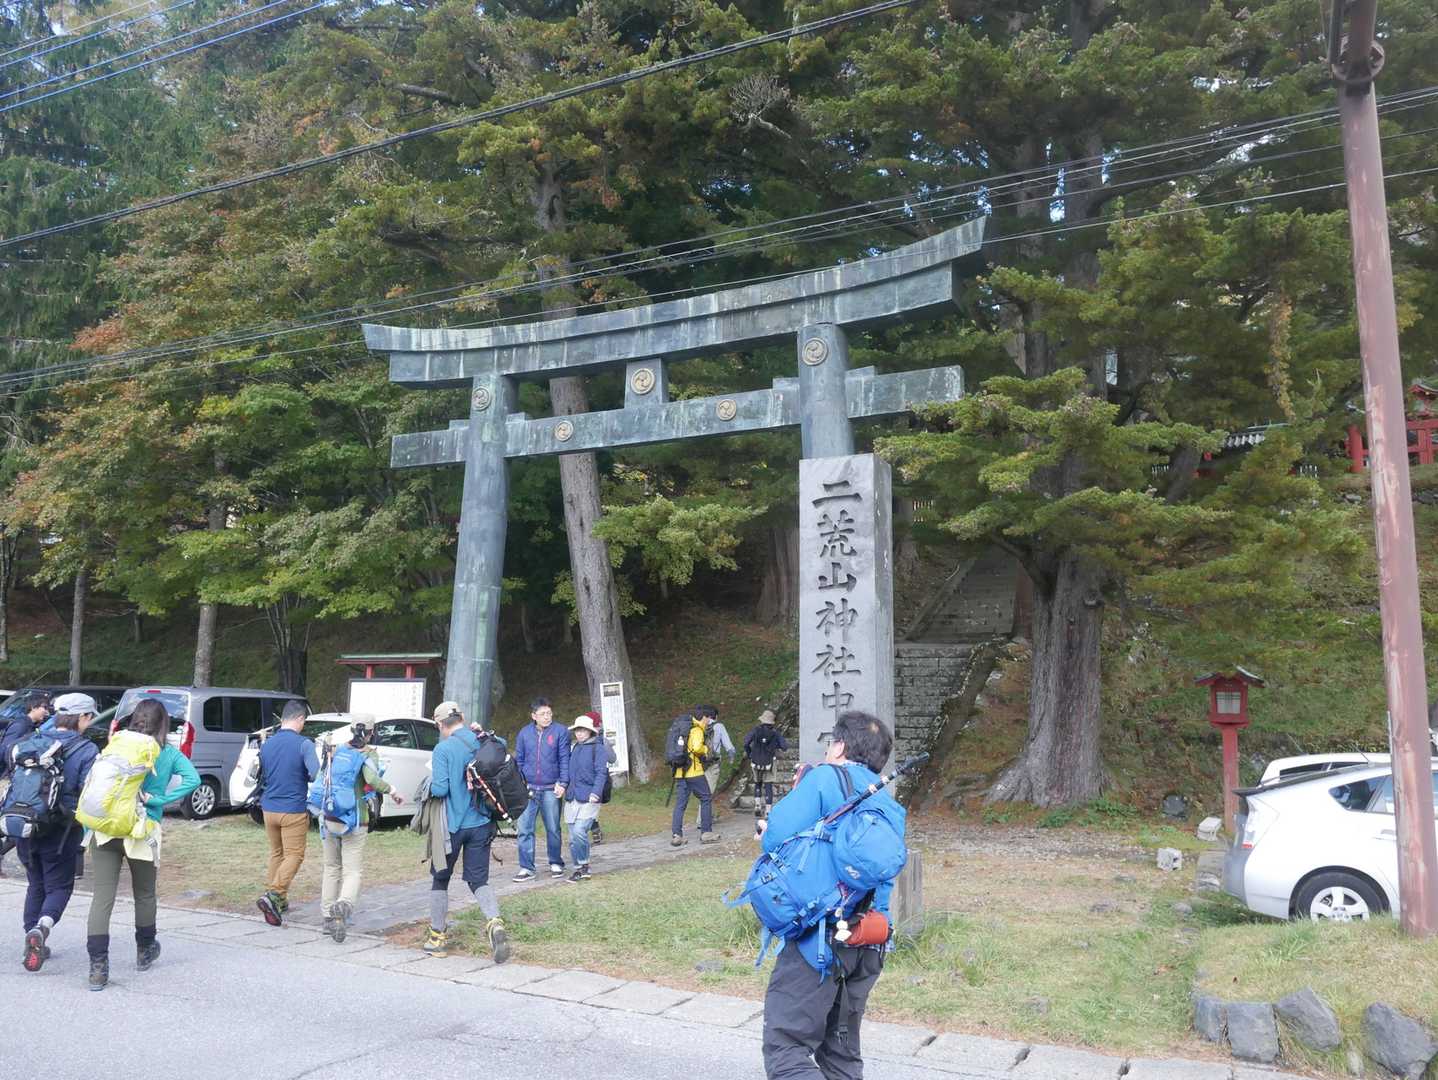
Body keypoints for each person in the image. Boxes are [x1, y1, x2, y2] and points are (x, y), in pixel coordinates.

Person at [758, 711, 901, 1080]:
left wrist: (766, 829)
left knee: (786, 1049)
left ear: (839, 746)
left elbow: (775, 837)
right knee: (840, 1057)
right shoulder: (888, 803)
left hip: (818, 943)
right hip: (867, 941)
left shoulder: (824, 778)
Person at [85, 698, 200, 991]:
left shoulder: (117, 743)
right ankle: (145, 950)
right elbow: (193, 779)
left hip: (107, 829)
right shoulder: (167, 753)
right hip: (142, 829)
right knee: (145, 893)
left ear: (135, 718)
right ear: (163, 724)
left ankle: (98, 967)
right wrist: (159, 800)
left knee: (102, 897)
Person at [14, 693, 99, 972]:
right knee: (59, 886)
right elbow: (90, 792)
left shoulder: (32, 740)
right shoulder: (87, 750)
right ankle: (41, 928)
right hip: (61, 830)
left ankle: (31, 937)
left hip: (25, 825)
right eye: (90, 716)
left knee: (35, 883)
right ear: (82, 717)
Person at [423, 701, 509, 963]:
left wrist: (428, 784)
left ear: (440, 724)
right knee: (478, 880)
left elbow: (440, 789)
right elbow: (502, 746)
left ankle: (437, 938)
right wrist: (482, 733)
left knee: (441, 878)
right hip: (482, 823)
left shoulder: (443, 749)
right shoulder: (483, 740)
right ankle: (494, 922)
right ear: (461, 717)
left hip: (452, 826)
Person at [320, 721, 402, 944]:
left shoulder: (336, 750)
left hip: (329, 816)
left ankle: (328, 917)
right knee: (352, 870)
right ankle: (343, 905)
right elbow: (372, 780)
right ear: (371, 732)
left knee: (331, 867)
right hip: (355, 819)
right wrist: (393, 790)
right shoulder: (368, 753)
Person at [256, 699, 319, 927]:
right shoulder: (304, 744)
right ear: (300, 719)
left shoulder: (267, 744)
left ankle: (278, 901)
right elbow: (315, 773)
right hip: (292, 809)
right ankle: (274, 894)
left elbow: (263, 773)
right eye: (304, 722)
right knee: (294, 855)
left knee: (277, 853)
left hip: (268, 809)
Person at [512, 697, 570, 881]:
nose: (547, 717)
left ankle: (555, 862)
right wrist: (519, 783)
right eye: (543, 714)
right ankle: (526, 867)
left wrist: (563, 782)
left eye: (549, 713)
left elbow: (564, 759)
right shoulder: (524, 733)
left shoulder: (560, 731)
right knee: (524, 828)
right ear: (533, 716)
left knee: (553, 828)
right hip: (528, 788)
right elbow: (519, 760)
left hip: (551, 787)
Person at [0, 692, 51, 874]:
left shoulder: (33, 726)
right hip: (10, 779)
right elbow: (5, 750)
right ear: (33, 707)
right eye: (44, 707)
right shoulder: (21, 725)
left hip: (18, 778)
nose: (46, 711)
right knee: (14, 818)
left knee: (17, 820)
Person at [563, 715, 609, 882]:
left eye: (583, 730)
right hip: (572, 797)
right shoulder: (575, 748)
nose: (579, 733)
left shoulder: (598, 748)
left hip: (590, 797)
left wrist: (595, 792)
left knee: (579, 831)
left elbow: (601, 773)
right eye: (577, 730)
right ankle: (578, 869)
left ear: (590, 731)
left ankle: (584, 865)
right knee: (572, 838)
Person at [671, 710, 718, 847]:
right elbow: (697, 748)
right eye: (707, 719)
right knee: (706, 798)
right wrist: (705, 749)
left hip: (680, 772)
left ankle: (676, 835)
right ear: (703, 718)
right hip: (694, 772)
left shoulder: (682, 729)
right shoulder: (696, 729)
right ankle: (706, 832)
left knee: (680, 804)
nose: (708, 721)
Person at [695, 704, 736, 828]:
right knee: (708, 792)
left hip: (699, 763)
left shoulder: (698, 725)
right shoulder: (719, 726)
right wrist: (731, 756)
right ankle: (701, 820)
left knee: (704, 790)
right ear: (715, 716)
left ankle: (709, 816)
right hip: (712, 763)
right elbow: (728, 745)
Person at [744, 710, 789, 820]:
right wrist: (775, 745)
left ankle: (757, 805)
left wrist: (750, 754)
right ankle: (768, 811)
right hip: (769, 762)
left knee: (757, 783)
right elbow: (784, 746)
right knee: (768, 785)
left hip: (755, 761)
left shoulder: (756, 730)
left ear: (762, 720)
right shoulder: (775, 733)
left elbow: (746, 742)